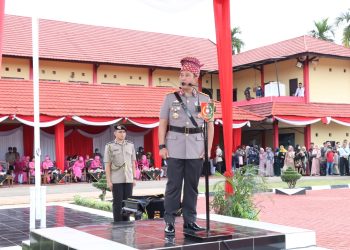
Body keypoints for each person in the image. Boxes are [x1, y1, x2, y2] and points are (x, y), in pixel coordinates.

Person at [159, 56, 214, 236]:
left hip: (196, 148)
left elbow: (210, 125)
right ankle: (170, 221)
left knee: (192, 187)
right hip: (174, 147)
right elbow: (163, 123)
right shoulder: (169, 98)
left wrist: (208, 149)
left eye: (188, 75)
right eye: (181, 74)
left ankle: (190, 221)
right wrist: (162, 146)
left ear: (196, 78)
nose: (183, 78)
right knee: (173, 186)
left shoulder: (205, 99)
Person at [104, 125, 136, 222]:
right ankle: (117, 223)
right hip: (116, 178)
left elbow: (133, 163)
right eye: (120, 132)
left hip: (128, 178)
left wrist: (134, 178)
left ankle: (126, 222)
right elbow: (107, 165)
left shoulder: (130, 145)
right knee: (118, 203)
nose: (122, 134)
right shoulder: (109, 146)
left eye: (124, 132)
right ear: (115, 133)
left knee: (127, 202)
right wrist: (109, 181)